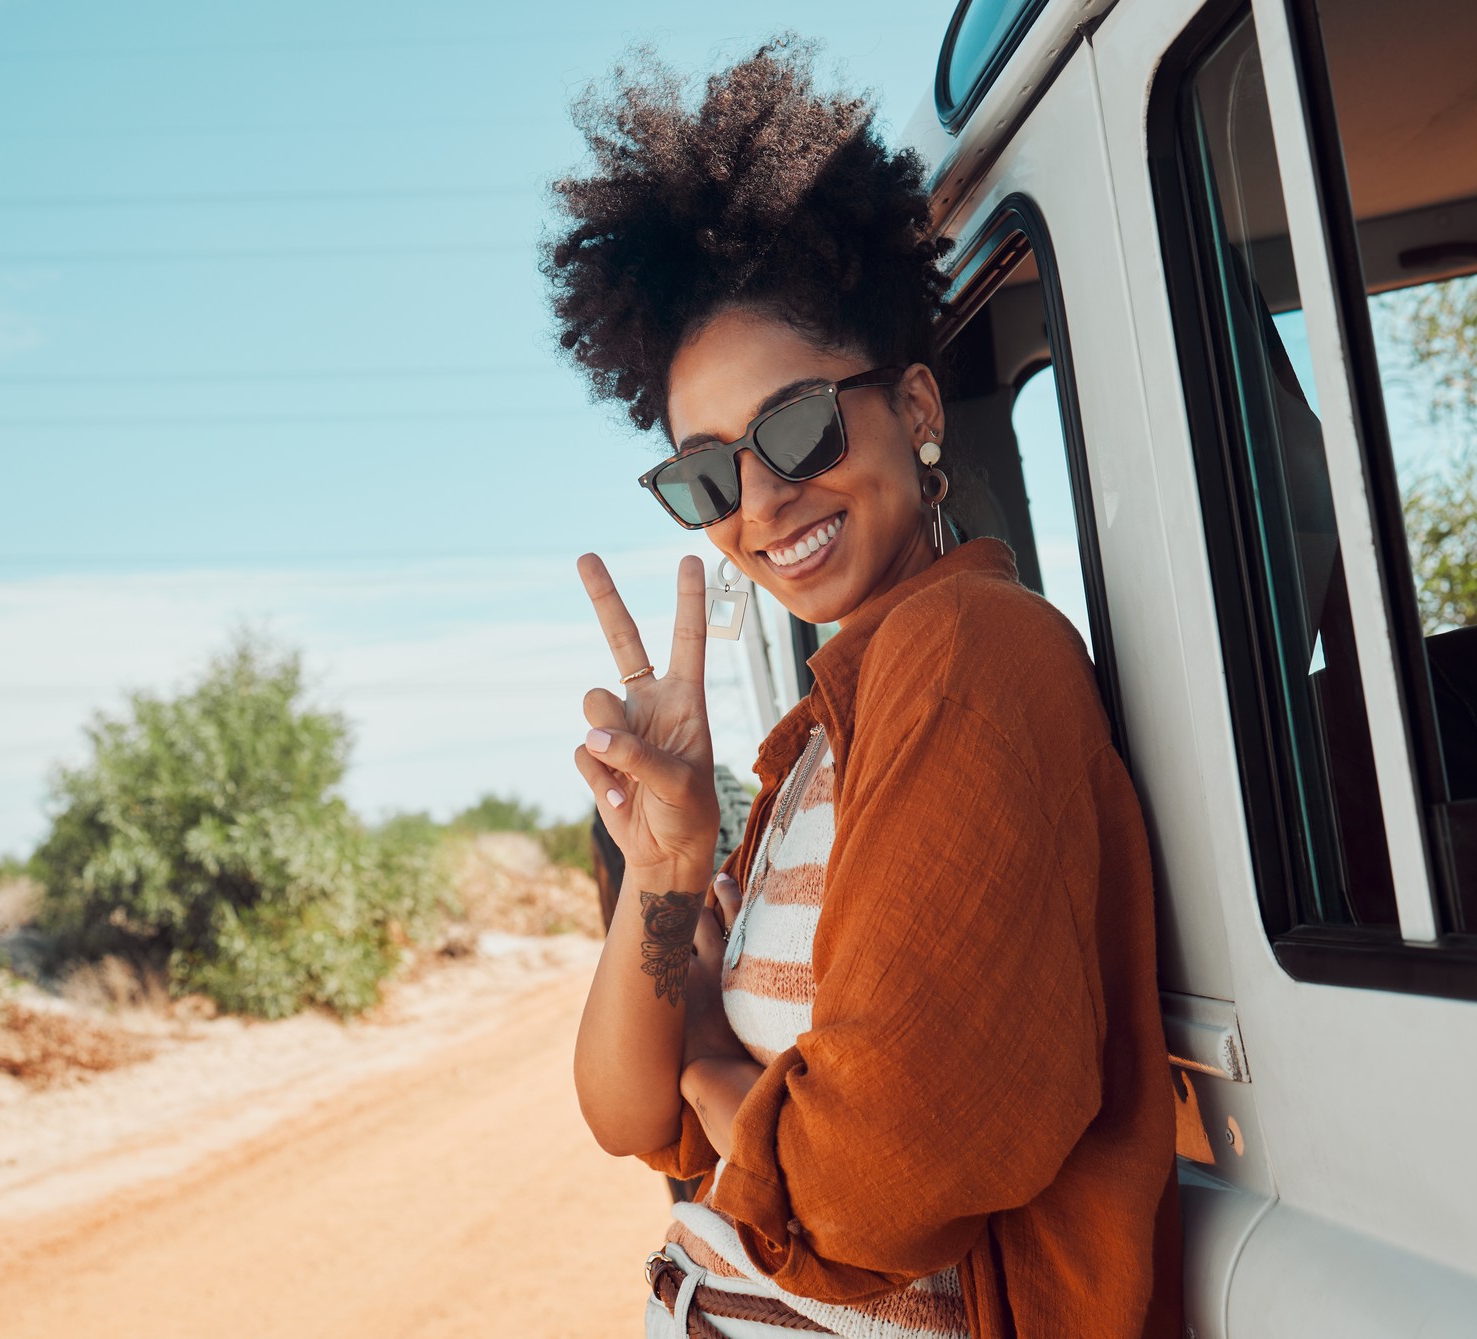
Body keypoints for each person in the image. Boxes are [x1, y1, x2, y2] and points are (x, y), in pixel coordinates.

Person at [543, 39, 1181, 1339]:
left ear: (918, 406)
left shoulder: (975, 658)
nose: (763, 503)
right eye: (707, 477)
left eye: (796, 429)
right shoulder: (810, 748)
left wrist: (719, 1072)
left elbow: (873, 1182)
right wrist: (667, 875)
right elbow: (625, 1114)